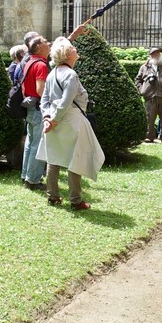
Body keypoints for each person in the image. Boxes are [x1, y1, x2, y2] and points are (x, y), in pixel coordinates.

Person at [37, 37, 105, 210]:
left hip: (55, 120)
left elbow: (44, 100)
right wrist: (52, 119)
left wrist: (47, 118)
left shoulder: (52, 73)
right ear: (67, 54)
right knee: (75, 159)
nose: (76, 50)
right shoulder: (71, 75)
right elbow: (66, 102)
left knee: (54, 158)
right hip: (71, 121)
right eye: (73, 48)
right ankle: (76, 200)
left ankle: (52, 196)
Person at [20, 36, 50, 189]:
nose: (49, 43)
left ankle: (26, 175)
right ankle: (33, 180)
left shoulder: (29, 62)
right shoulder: (41, 65)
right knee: (38, 145)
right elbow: (40, 89)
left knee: (30, 143)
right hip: (39, 109)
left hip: (31, 108)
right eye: (45, 42)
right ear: (38, 47)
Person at [135, 47, 162, 143]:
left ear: (160, 55)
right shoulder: (144, 67)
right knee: (149, 118)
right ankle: (149, 136)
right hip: (150, 96)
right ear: (150, 55)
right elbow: (138, 80)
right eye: (153, 54)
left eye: (157, 53)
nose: (155, 55)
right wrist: (142, 90)